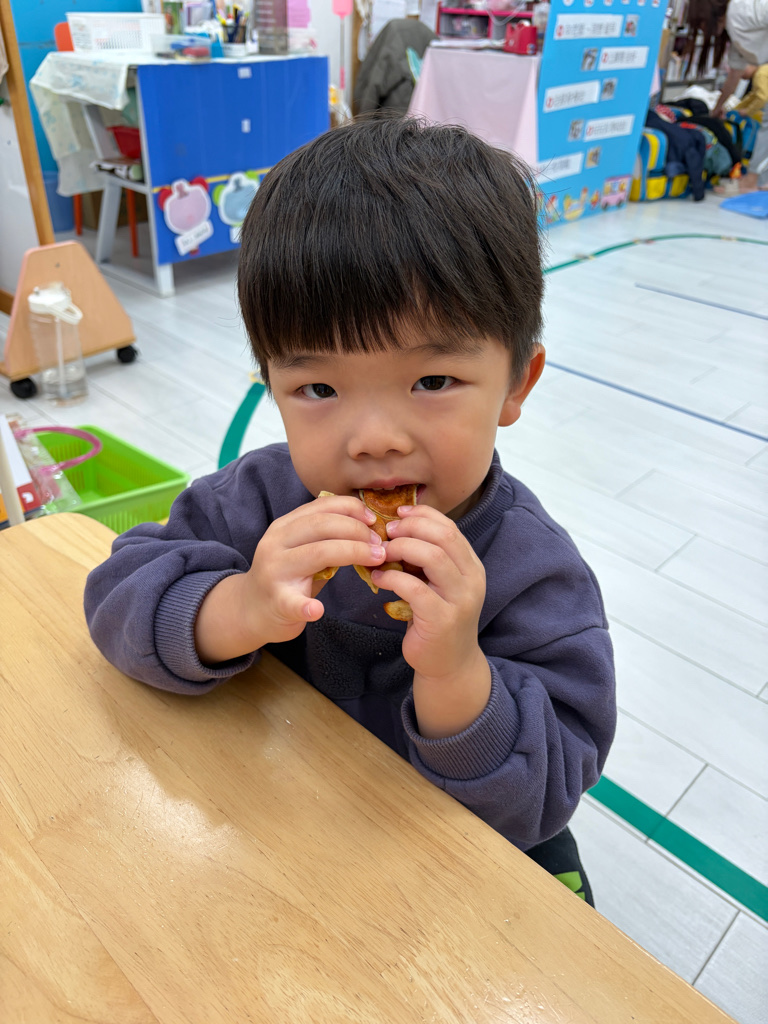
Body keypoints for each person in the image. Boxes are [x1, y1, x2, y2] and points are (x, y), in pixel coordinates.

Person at [84, 117, 616, 906]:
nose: (373, 440)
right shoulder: (260, 501)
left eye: (432, 381)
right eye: (319, 389)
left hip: (456, 864)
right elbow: (116, 599)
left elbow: (546, 794)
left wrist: (455, 672)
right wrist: (241, 607)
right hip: (281, 830)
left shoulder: (535, 573)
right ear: (272, 387)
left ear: (516, 384)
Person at [713, 0, 768, 191]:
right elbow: (734, 75)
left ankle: (752, 180)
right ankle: (757, 180)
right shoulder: (735, 35)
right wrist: (717, 108)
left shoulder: (741, 8)